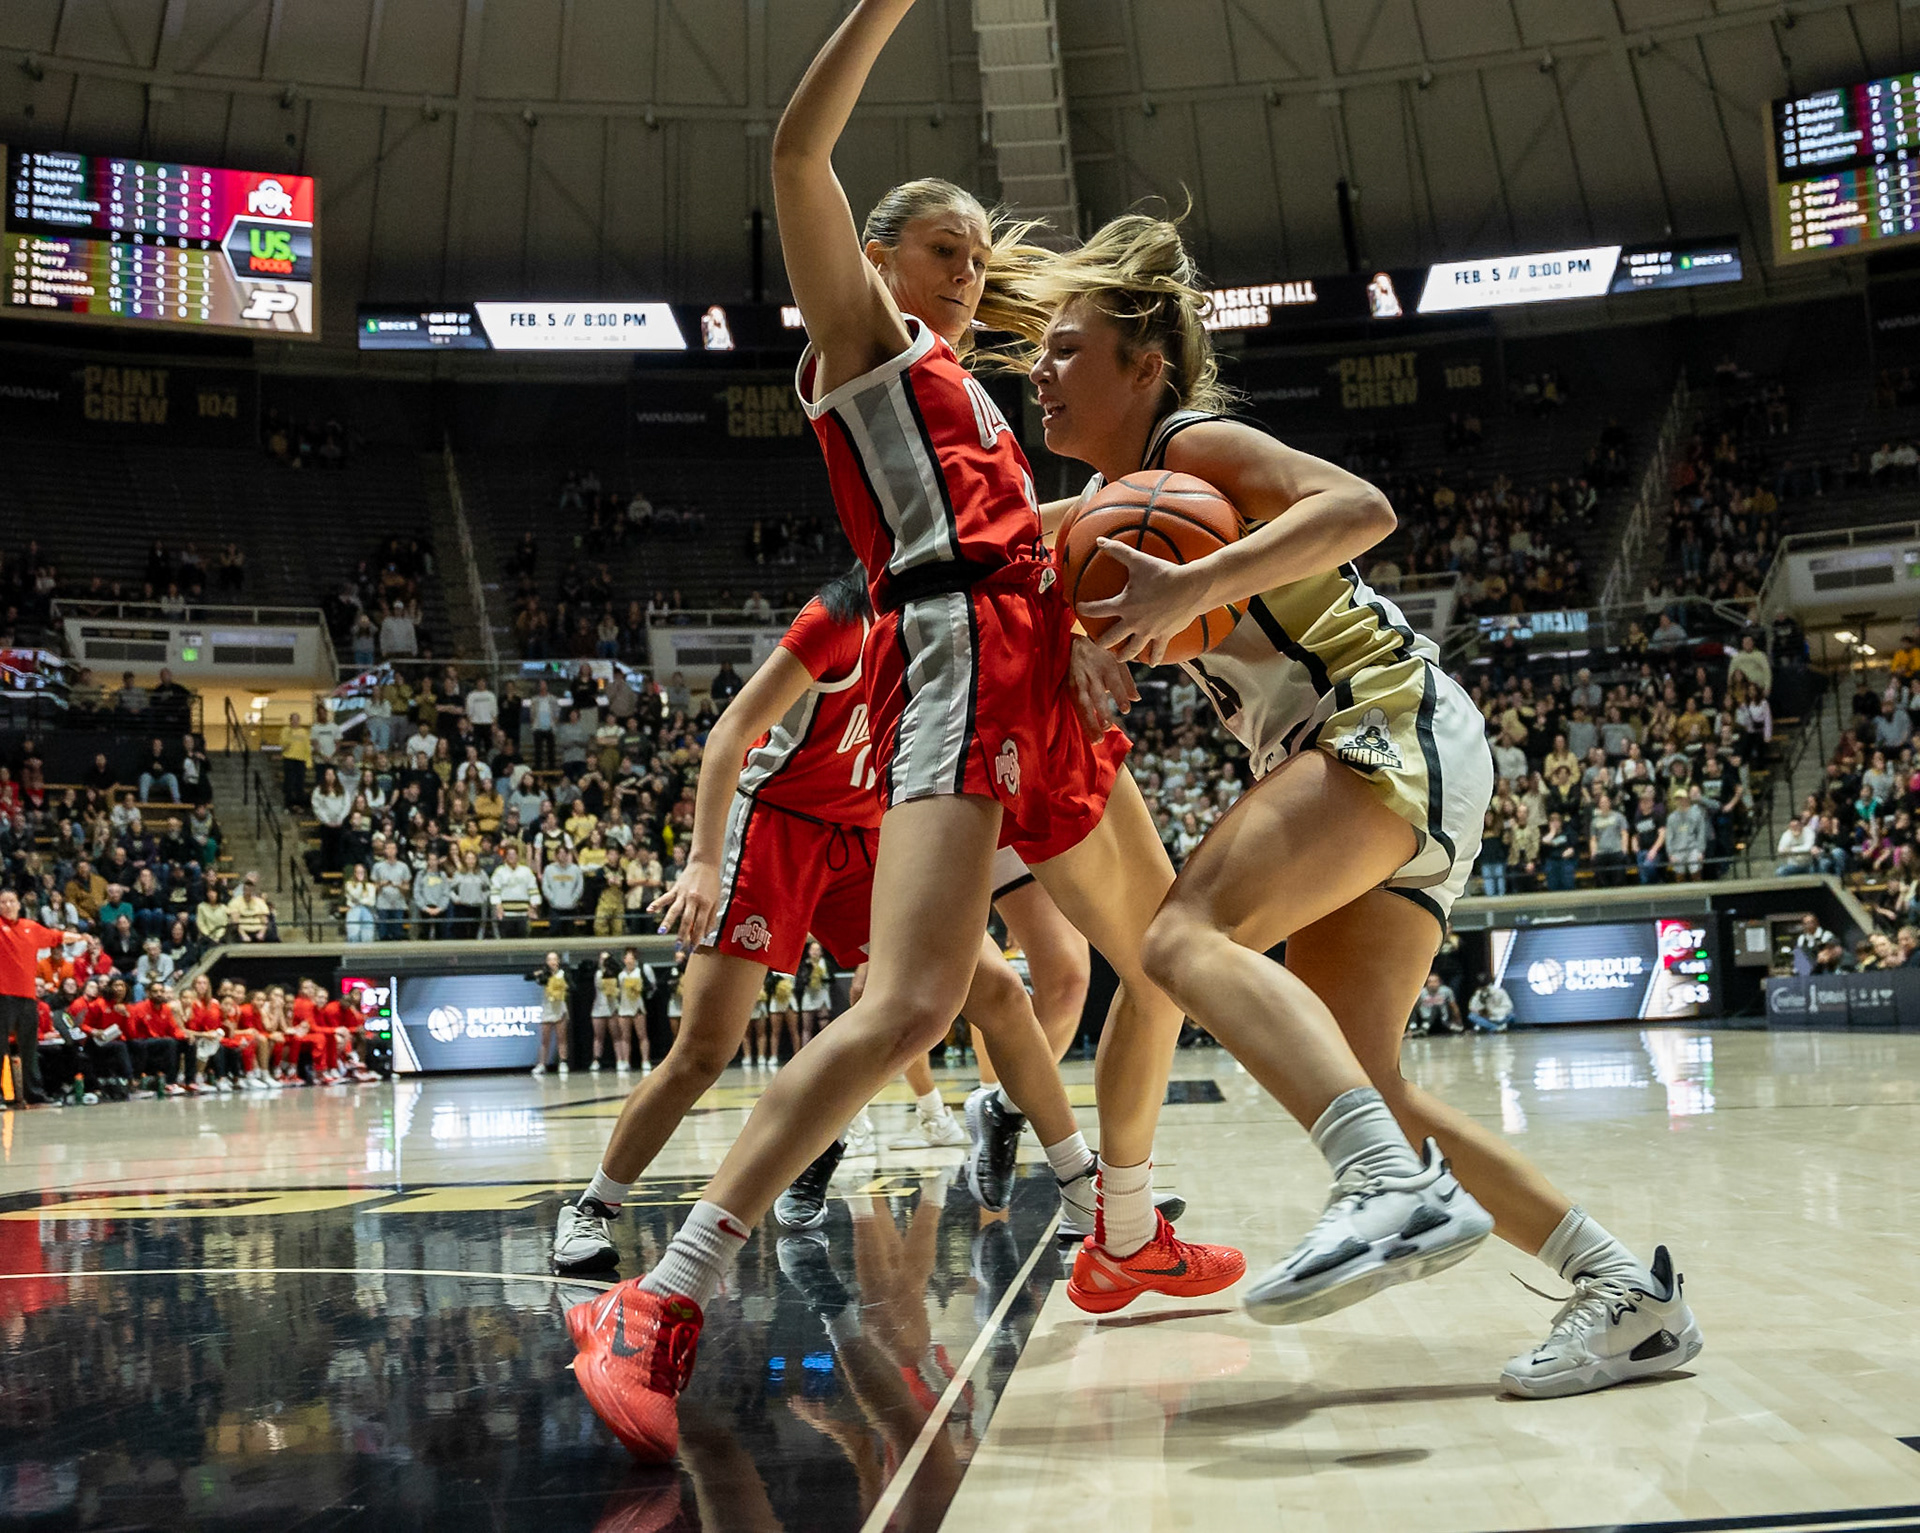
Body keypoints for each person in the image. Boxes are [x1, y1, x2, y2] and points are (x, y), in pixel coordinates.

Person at [562, 51, 1223, 1440]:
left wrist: (1095, 618)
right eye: (946, 245)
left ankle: (1123, 1220)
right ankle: (665, 1288)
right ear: (874, 258)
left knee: (1169, 945)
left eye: (983, 253)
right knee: (914, 1004)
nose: (973, 267)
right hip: (955, 656)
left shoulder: (971, 389)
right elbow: (797, 153)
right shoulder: (859, 344)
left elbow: (1017, 537)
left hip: (1028, 660)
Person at [1016, 209, 1698, 1395]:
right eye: (1038, 352)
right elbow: (998, 550)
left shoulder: (1200, 441)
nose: (1041, 371)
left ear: (1146, 366)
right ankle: (1624, 1294)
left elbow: (1361, 508)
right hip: (1396, 755)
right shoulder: (1106, 512)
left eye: (1068, 348)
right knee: (1368, 1082)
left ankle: (1383, 1188)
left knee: (1182, 937)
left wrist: (1200, 577)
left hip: (1382, 720)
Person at [552, 568, 1115, 1277]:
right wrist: (701, 858)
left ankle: (1080, 1182)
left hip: (875, 836)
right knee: (704, 1049)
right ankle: (593, 1207)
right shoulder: (839, 618)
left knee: (999, 992)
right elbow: (730, 734)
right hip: (779, 827)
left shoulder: (949, 627)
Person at [1, 887, 81, 1106]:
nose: (7, 906)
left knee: (29, 1048)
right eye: (2, 902)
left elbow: (54, 936)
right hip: (3, 996)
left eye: (11, 901)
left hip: (28, 997)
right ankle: (4, 1095)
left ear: (19, 905)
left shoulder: (30, 927)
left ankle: (33, 1094)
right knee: (1, 1049)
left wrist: (74, 935)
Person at [530, 952, 571, 1077]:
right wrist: (537, 973)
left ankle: (563, 1062)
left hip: (559, 1008)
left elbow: (571, 987)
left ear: (558, 961)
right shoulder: (544, 974)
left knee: (561, 1038)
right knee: (545, 1039)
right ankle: (542, 1064)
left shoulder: (563, 974)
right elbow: (528, 977)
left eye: (554, 959)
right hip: (547, 1009)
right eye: (549, 959)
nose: (552, 962)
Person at [1409, 972, 1461, 1036]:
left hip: (1441, 1021)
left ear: (1439, 982)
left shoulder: (1446, 991)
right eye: (1430, 982)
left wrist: (1458, 1021)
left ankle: (1424, 1029)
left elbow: (1453, 1006)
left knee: (1436, 1007)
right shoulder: (1421, 993)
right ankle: (1413, 1028)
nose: (1432, 984)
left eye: (1435, 981)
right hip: (1425, 1020)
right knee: (1411, 1007)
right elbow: (1414, 1008)